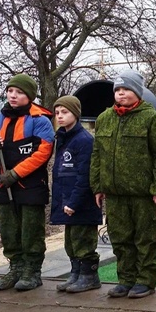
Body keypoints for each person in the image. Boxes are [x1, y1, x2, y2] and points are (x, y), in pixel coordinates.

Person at [90, 69, 156, 298]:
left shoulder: (153, 119)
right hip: (115, 194)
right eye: (117, 90)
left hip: (144, 194)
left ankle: (145, 280)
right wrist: (97, 186)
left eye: (126, 89)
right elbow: (97, 154)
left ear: (138, 92)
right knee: (120, 238)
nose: (121, 94)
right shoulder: (104, 119)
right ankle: (125, 279)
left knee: (147, 239)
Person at [0, 73, 55, 291]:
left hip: (30, 185)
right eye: (10, 91)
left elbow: (43, 152)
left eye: (19, 92)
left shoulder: (39, 120)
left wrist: (16, 173)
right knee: (9, 229)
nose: (13, 96)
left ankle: (32, 270)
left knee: (30, 229)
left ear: (29, 96)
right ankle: (15, 267)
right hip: (4, 185)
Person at [51, 96, 103, 293]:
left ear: (76, 114)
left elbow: (84, 176)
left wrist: (74, 202)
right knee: (71, 242)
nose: (60, 117)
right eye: (57, 113)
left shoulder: (84, 140)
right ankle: (76, 273)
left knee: (83, 241)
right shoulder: (63, 138)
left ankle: (89, 276)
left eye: (65, 112)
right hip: (67, 200)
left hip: (81, 203)